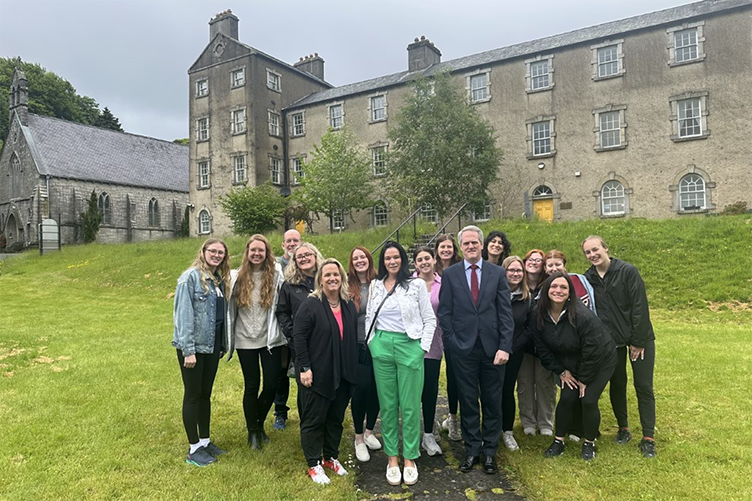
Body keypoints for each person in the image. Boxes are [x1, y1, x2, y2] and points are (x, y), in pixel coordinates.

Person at [438, 225, 514, 475]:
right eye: (466, 243)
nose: (470, 246)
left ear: (482, 245)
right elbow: (445, 312)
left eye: (474, 242)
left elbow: (505, 312)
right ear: (461, 247)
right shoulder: (450, 275)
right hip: (463, 349)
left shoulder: (496, 273)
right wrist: (452, 342)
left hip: (493, 349)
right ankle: (472, 450)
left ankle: (490, 451)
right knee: (468, 401)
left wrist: (505, 346)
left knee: (492, 400)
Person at [366, 241, 435, 486]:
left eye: (396, 257)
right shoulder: (376, 285)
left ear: (403, 260)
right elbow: (369, 317)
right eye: (387, 258)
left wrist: (421, 348)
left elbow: (430, 319)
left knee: (409, 406)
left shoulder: (415, 285)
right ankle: (392, 458)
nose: (392, 261)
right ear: (382, 262)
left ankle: (410, 458)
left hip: (410, 347)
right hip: (382, 346)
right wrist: (373, 342)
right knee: (388, 405)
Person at [583, 235, 657, 458]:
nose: (592, 255)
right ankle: (623, 428)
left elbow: (639, 307)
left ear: (605, 248)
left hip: (639, 338)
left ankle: (648, 437)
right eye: (587, 252)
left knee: (643, 386)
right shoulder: (589, 278)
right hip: (610, 341)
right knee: (617, 383)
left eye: (595, 249)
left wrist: (637, 341)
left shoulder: (628, 271)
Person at [532, 272, 617, 461]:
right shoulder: (537, 313)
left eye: (564, 287)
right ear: (546, 290)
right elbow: (541, 347)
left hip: (600, 359)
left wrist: (584, 379)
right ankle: (558, 441)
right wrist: (562, 371)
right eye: (554, 287)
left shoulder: (582, 315)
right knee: (567, 397)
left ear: (570, 292)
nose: (558, 291)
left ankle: (589, 443)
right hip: (570, 359)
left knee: (587, 399)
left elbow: (592, 349)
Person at [293, 258, 358, 484]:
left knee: (335, 418)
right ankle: (314, 463)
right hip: (318, 373)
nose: (332, 278)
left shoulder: (348, 303)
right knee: (314, 420)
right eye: (327, 275)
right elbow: (299, 338)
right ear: (320, 279)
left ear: (342, 279)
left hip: (342, 373)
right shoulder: (311, 304)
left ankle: (330, 457)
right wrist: (305, 368)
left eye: (336, 275)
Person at [172, 239, 230, 467]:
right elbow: (183, 316)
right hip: (193, 347)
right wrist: (188, 350)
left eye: (221, 253)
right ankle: (193, 448)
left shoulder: (218, 281)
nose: (216, 255)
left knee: (206, 394)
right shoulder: (190, 278)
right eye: (213, 251)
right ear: (203, 252)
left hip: (212, 345)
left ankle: (205, 441)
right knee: (193, 394)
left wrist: (223, 343)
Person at [227, 235, 286, 450]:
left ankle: (259, 423)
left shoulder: (276, 275)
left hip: (270, 339)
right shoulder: (236, 276)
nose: (257, 254)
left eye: (261, 250)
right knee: (251, 385)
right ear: (247, 252)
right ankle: (253, 432)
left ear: (267, 252)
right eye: (253, 250)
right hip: (245, 339)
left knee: (271, 385)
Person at [273, 242, 324, 431]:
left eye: (307, 254)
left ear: (315, 255)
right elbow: (282, 312)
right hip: (301, 344)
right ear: (294, 261)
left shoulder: (326, 278)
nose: (303, 258)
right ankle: (308, 426)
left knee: (325, 382)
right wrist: (292, 333)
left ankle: (324, 422)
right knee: (306, 384)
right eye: (299, 256)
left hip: (326, 343)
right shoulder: (290, 284)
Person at [347, 246, 382, 462]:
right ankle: (358, 438)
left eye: (363, 257)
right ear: (352, 263)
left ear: (369, 259)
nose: (360, 260)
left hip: (380, 345)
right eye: (356, 258)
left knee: (378, 390)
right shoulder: (347, 286)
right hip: (357, 345)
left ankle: (370, 431)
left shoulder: (381, 283)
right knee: (361, 390)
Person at [516, 248, 555, 437]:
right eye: (530, 259)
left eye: (538, 260)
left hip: (544, 344)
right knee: (524, 382)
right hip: (522, 345)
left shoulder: (549, 286)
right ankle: (528, 421)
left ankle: (546, 422)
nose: (533, 262)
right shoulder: (517, 285)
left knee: (544, 382)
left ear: (543, 265)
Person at [500, 255, 534, 451]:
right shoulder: (496, 294)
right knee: (490, 391)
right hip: (494, 351)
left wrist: (512, 347)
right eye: (511, 270)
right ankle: (491, 428)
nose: (515, 274)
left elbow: (529, 328)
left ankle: (508, 431)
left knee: (507, 390)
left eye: (518, 270)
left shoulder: (527, 298)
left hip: (515, 351)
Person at [413, 246, 444, 457]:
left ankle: (428, 435)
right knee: (412, 391)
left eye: (427, 258)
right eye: (419, 259)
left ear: (434, 260)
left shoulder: (444, 283)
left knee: (430, 390)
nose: (424, 262)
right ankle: (413, 433)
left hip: (434, 343)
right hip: (412, 345)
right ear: (415, 264)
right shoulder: (408, 284)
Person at [433, 234, 462, 441]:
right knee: (429, 378)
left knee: (454, 376)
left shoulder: (461, 269)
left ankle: (452, 418)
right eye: (442, 247)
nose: (446, 250)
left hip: (454, 329)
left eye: (449, 247)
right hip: (432, 331)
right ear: (437, 250)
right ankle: (429, 419)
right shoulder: (429, 270)